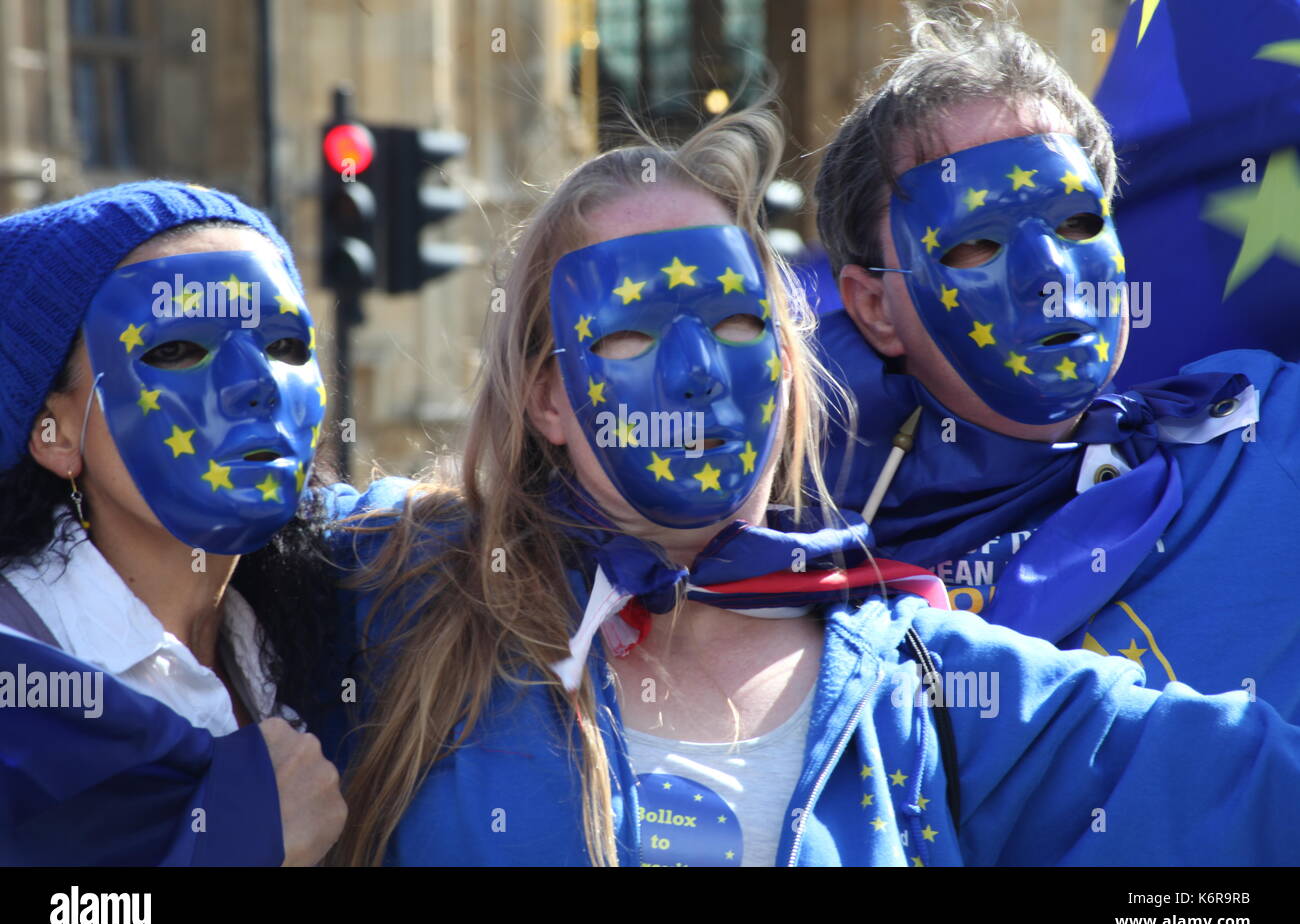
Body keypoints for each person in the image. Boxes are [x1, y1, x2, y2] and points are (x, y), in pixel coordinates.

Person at [316, 105, 1300, 867]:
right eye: (630, 333)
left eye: (739, 325)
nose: (699, 370)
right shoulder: (398, 588)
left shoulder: (916, 671)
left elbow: (1238, 783)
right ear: (547, 397)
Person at [813, 1, 1300, 716]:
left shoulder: (1262, 435)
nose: (1051, 273)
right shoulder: (792, 563)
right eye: (976, 241)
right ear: (874, 307)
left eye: (1077, 220)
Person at [0, 182, 346, 865]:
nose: (260, 384)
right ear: (54, 431)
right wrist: (240, 839)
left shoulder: (350, 620)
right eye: (179, 350)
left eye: (284, 344)